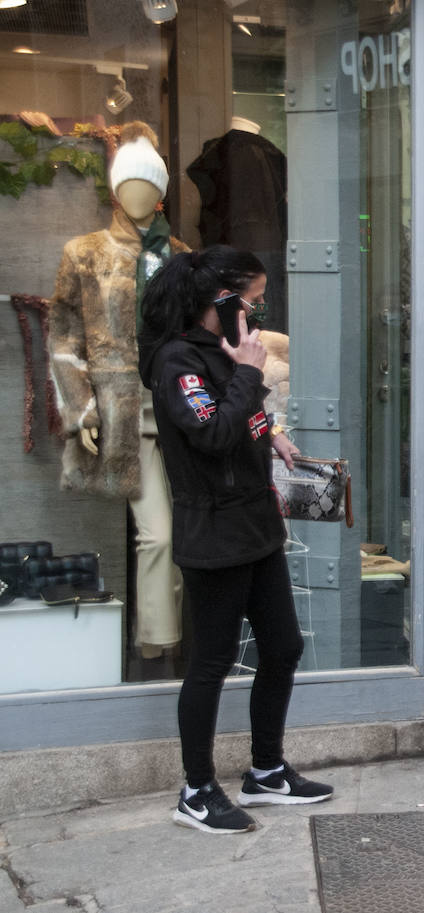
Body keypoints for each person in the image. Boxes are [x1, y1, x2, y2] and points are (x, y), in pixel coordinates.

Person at [137, 245, 333, 835]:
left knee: (283, 647)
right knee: (212, 663)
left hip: (254, 523)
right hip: (215, 529)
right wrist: (249, 372)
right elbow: (213, 433)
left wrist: (268, 433)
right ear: (218, 301)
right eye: (251, 300)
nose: (256, 312)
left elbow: (238, 415)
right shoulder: (177, 362)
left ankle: (266, 770)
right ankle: (196, 790)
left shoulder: (218, 354)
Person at [48, 122, 188, 660]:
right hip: (122, 415)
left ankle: (181, 643)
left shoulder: (179, 255)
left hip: (177, 409)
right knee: (156, 535)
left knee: (188, 533)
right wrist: (81, 407)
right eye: (130, 183)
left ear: (161, 193)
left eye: (149, 185)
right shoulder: (85, 252)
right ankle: (157, 646)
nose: (138, 193)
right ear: (113, 189)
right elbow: (64, 335)